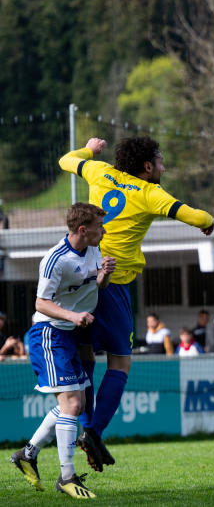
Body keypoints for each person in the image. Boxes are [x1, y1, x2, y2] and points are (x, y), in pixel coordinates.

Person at [59, 136, 214, 472]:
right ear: (147, 166)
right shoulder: (150, 193)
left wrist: (89, 150)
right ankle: (93, 432)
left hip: (81, 279)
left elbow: (65, 160)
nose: (163, 167)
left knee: (86, 357)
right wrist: (209, 221)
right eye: (160, 161)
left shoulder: (99, 171)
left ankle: (86, 430)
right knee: (120, 364)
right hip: (113, 283)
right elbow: (196, 217)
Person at [10, 203, 114, 499]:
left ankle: (27, 454)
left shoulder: (93, 249)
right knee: (72, 404)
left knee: (76, 404)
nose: (103, 230)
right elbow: (40, 303)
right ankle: (67, 476)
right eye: (99, 226)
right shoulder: (55, 259)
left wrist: (104, 275)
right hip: (49, 334)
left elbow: (96, 285)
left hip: (67, 335)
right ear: (83, 229)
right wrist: (73, 316)